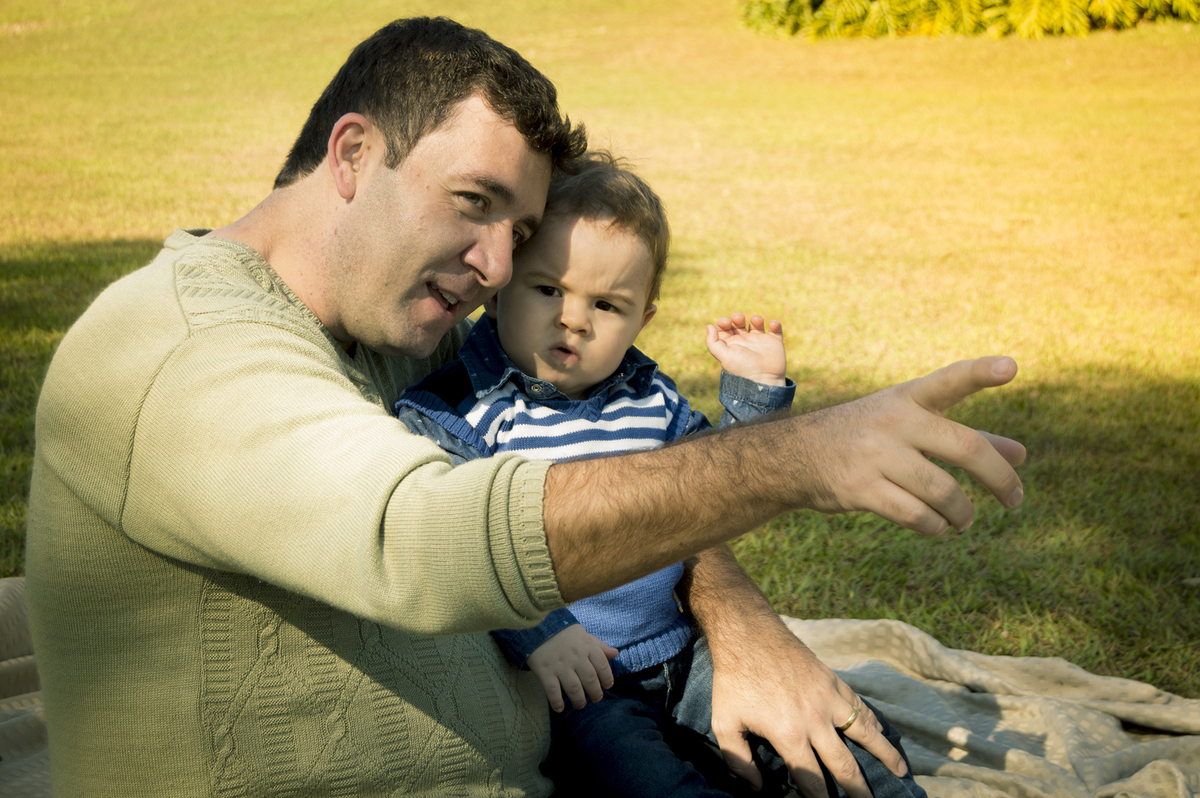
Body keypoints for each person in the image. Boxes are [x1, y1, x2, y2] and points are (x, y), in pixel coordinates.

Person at [24, 15, 1025, 798]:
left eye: (523, 229)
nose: (500, 266)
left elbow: (621, 454)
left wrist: (739, 619)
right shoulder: (185, 350)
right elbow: (427, 536)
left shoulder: (399, 338)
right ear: (353, 155)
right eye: (473, 202)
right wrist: (795, 459)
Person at [393, 152, 926, 798]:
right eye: (548, 289)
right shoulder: (472, 411)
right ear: (502, 284)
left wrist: (755, 395)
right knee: (649, 783)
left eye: (608, 305)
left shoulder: (649, 398)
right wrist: (541, 631)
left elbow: (721, 487)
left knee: (849, 746)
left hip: (685, 653)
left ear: (643, 318)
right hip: (581, 689)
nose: (573, 318)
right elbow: (459, 541)